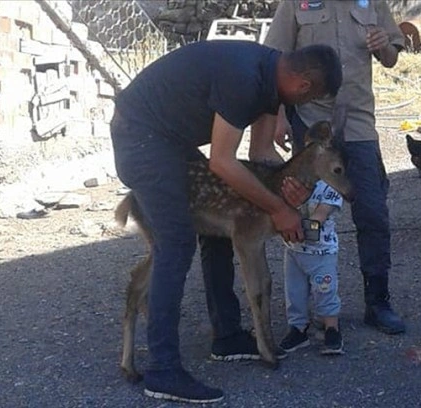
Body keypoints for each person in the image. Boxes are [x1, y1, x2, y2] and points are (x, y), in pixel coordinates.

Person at [111, 40, 342, 403]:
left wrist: (288, 193)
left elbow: (261, 156)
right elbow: (222, 162)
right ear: (304, 86)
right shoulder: (244, 79)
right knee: (177, 242)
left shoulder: (271, 81)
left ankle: (227, 336)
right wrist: (280, 210)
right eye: (310, 100)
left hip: (167, 138)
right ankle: (162, 369)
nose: (304, 107)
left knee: (221, 220)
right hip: (140, 137)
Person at [258, 0, 406, 335]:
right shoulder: (295, 3)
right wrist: (279, 116)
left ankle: (378, 301)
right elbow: (274, 63)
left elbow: (392, 57)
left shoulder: (373, 2)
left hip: (358, 125)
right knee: (303, 212)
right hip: (310, 124)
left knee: (372, 211)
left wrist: (385, 46)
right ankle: (304, 313)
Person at [279, 180, 345, 355]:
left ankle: (331, 328)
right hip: (293, 251)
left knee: (325, 290)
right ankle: (298, 328)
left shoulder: (331, 188)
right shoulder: (293, 183)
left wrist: (292, 225)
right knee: (294, 292)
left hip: (322, 253)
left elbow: (319, 217)